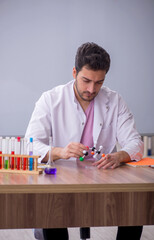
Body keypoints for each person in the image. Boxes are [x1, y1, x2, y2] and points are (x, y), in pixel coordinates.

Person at [25, 42, 144, 240]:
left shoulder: (114, 101)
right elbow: (30, 144)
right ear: (74, 72)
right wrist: (60, 152)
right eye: (86, 80)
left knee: (134, 207)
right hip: (60, 180)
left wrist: (120, 155)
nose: (91, 89)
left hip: (102, 179)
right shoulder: (50, 99)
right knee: (51, 211)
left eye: (99, 82)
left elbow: (135, 142)